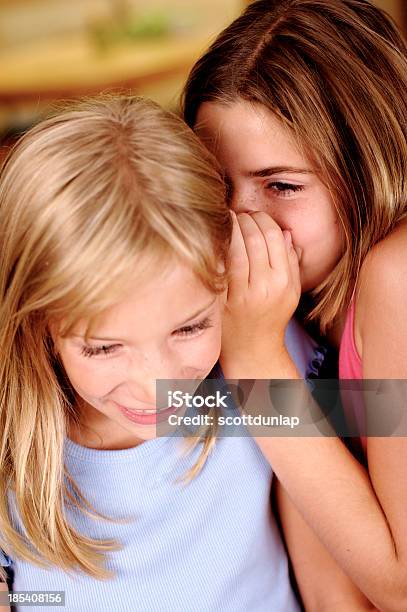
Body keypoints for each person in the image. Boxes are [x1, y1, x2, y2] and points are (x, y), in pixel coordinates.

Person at [0, 94, 329, 611]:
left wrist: (260, 362)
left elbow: (388, 415)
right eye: (104, 347)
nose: (159, 385)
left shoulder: (261, 359)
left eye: (190, 327)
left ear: (229, 277)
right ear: (37, 322)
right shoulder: (13, 442)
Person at [182, 0, 407, 610]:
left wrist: (255, 358)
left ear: (368, 169)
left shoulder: (395, 276)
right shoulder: (300, 305)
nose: (240, 223)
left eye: (280, 185)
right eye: (214, 183)